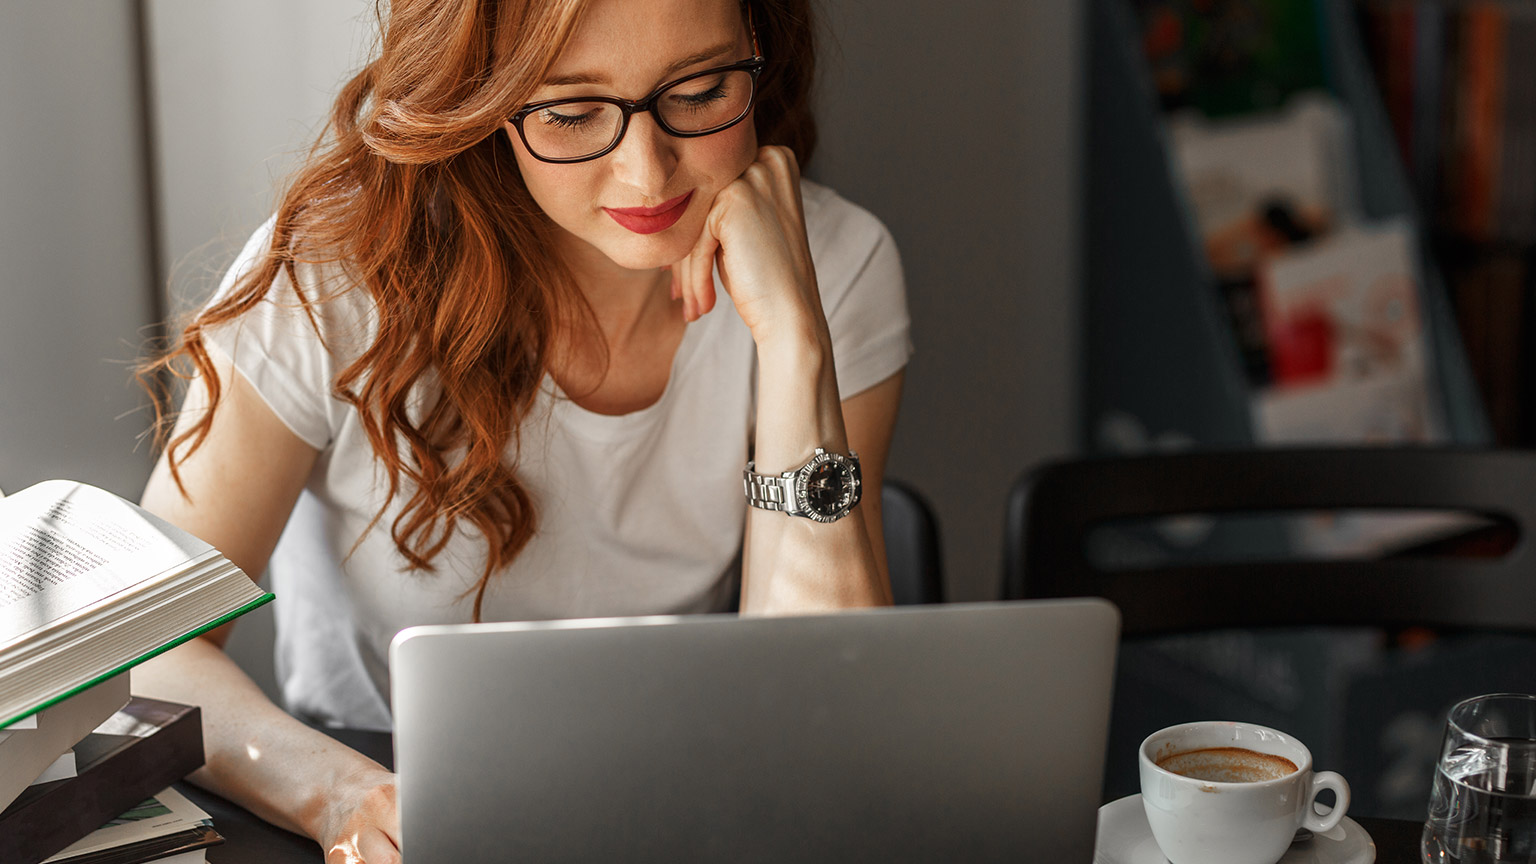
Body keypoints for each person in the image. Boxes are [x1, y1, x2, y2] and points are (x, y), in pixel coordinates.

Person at [132, 0, 910, 860]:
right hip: (383, 795)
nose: (648, 173)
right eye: (571, 113)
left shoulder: (833, 261)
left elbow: (823, 719)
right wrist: (341, 794)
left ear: (759, 56)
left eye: (698, 90)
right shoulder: (334, 276)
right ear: (482, 104)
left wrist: (796, 340)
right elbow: (142, 655)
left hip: (676, 802)